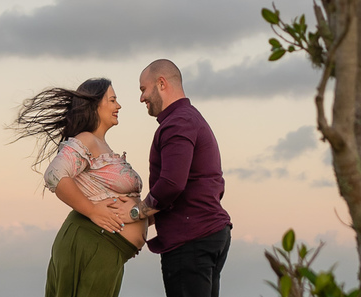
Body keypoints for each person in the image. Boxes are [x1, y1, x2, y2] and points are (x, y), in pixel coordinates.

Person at [12, 77, 146, 297]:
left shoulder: (101, 146)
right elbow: (54, 174)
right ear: (94, 106)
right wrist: (93, 210)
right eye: (112, 100)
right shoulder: (87, 140)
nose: (118, 106)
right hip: (93, 242)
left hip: (108, 247)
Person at [120, 59, 232, 297]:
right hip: (208, 233)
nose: (141, 98)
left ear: (161, 83)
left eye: (143, 89)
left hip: (191, 239)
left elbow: (171, 185)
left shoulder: (178, 122)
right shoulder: (189, 118)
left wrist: (134, 213)